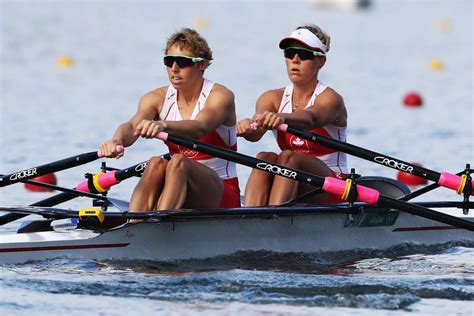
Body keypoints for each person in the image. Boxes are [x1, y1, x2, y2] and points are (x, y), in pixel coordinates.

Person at [100, 28, 240, 212]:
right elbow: (132, 126)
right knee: (156, 163)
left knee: (178, 162)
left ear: (202, 64)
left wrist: (163, 125)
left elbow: (200, 127)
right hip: (180, 186)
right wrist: (116, 140)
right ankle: (134, 223)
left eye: (183, 62)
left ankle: (157, 224)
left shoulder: (221, 96)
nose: (174, 68)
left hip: (222, 193)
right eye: (169, 61)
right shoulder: (156, 98)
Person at [237, 24, 349, 206]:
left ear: (320, 61)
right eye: (290, 53)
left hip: (334, 186)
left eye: (304, 54)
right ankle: (251, 215)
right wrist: (246, 127)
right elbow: (255, 135)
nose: (295, 60)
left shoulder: (331, 99)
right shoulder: (271, 98)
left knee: (289, 157)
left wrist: (283, 118)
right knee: (264, 158)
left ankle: (274, 216)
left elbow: (311, 118)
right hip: (290, 179)